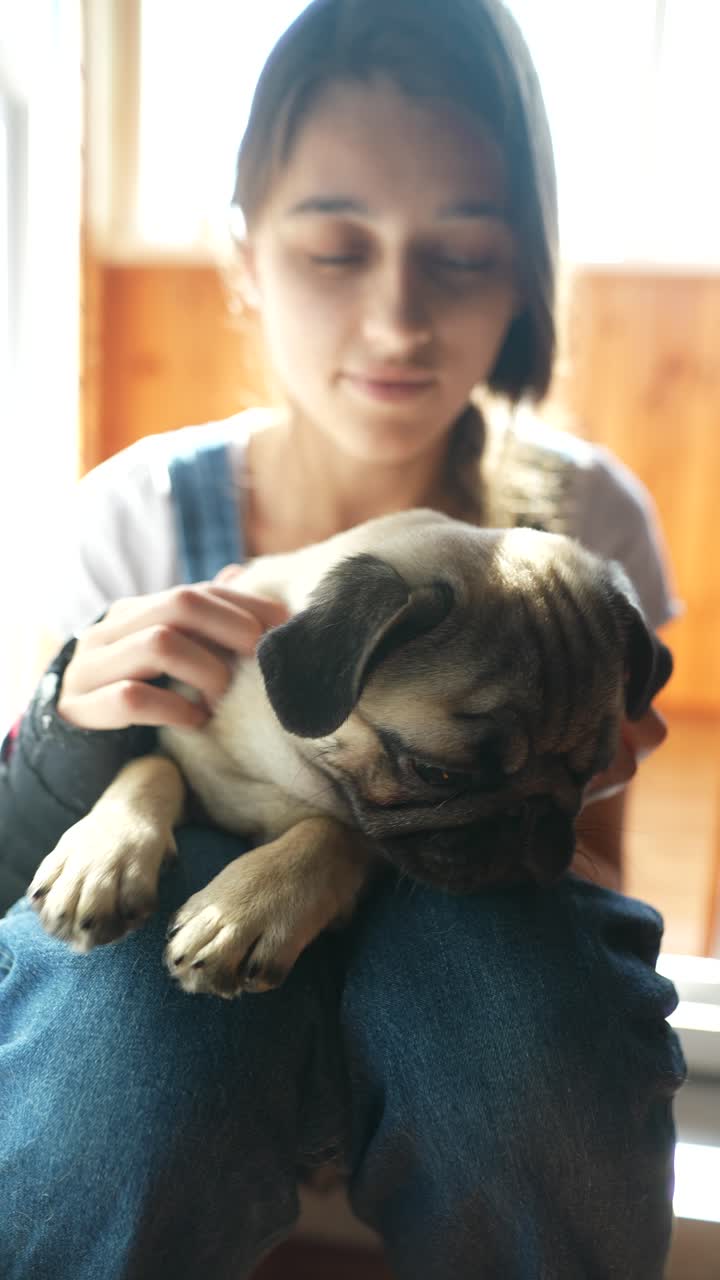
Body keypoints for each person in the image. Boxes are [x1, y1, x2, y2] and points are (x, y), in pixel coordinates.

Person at [0, 1, 686, 1276]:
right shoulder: (135, 518)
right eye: (335, 247)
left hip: (461, 1005)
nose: (397, 317)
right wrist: (61, 722)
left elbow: (579, 885)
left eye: (463, 254)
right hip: (172, 1034)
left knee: (525, 1010)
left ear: (529, 269)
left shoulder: (587, 532)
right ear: (246, 257)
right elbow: (21, 876)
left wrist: (574, 777)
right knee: (109, 1049)